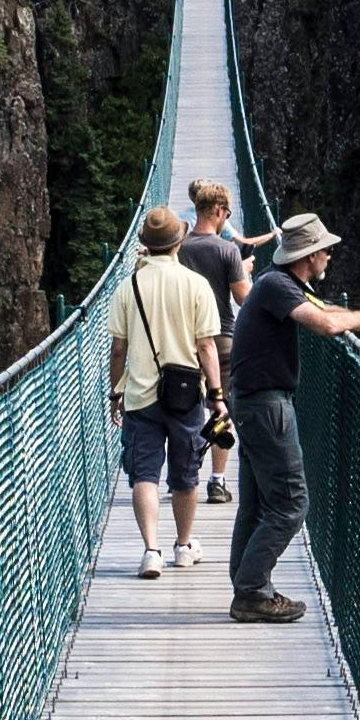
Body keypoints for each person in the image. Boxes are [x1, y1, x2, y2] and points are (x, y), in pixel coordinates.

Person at [215, 208, 360, 627]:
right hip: (266, 406)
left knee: (258, 502)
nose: (330, 257)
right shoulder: (277, 285)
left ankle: (247, 585)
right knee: (293, 504)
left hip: (256, 402)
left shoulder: (284, 284)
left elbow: (327, 309)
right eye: (326, 251)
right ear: (308, 255)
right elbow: (325, 326)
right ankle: (253, 591)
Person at [102, 204, 222, 577]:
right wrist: (217, 395)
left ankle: (150, 551)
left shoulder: (128, 287)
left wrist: (115, 393)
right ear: (178, 242)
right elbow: (206, 346)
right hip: (186, 395)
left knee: (144, 475)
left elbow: (118, 348)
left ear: (146, 246)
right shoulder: (196, 285)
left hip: (140, 396)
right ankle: (184, 547)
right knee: (185, 474)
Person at [167, 183, 249, 564]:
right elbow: (242, 298)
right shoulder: (228, 250)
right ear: (217, 210)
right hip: (224, 340)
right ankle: (216, 482)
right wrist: (246, 271)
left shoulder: (179, 248)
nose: (227, 218)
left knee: (188, 411)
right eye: (227, 213)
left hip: (184, 343)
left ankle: (186, 474)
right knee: (221, 410)